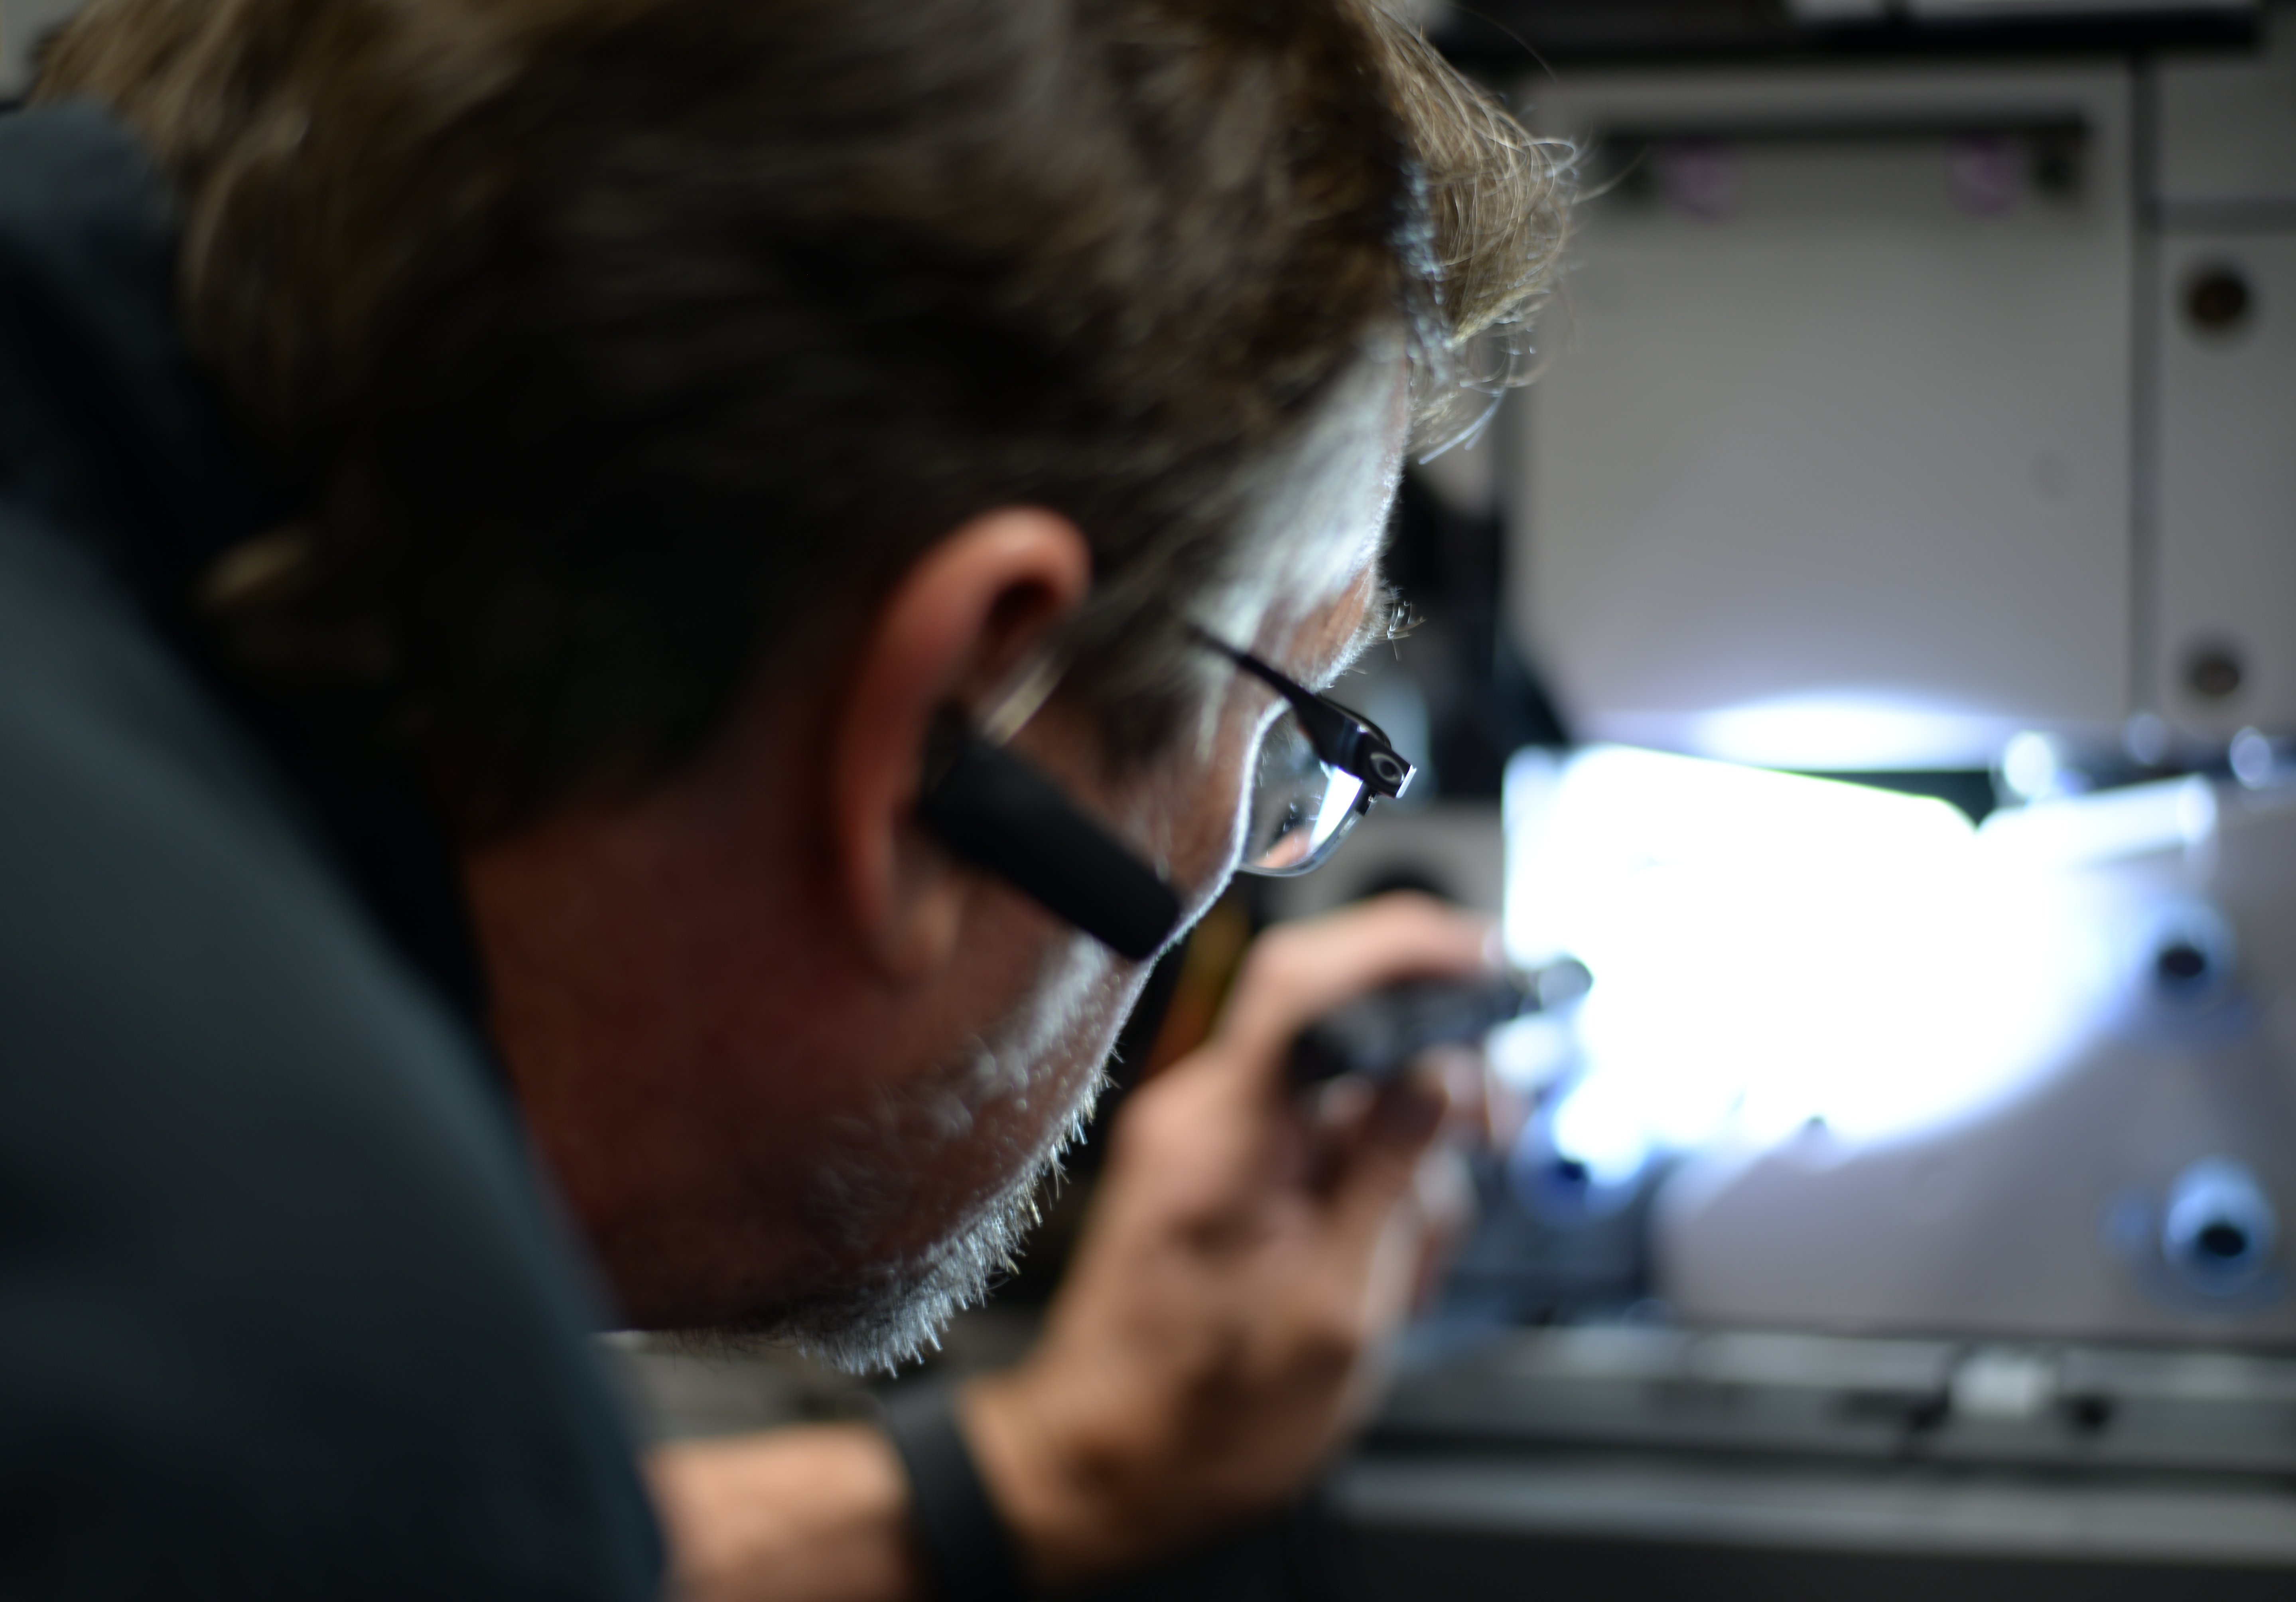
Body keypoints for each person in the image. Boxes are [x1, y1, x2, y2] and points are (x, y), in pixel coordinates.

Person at [0, 0, 1567, 1595]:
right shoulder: (250, 1338)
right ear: (960, 716)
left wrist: (1052, 1465)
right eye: (1291, 731)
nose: (1264, 837)